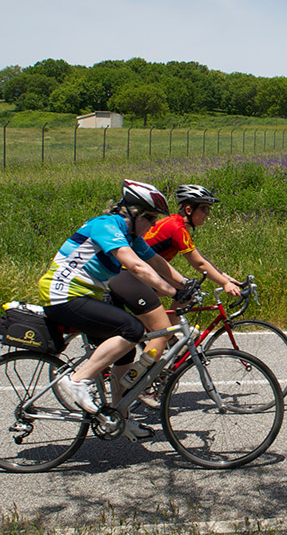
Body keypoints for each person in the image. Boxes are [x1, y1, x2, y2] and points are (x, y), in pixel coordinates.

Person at [41, 179, 193, 441]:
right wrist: (172, 292)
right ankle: (79, 380)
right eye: (149, 217)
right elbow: (136, 267)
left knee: (125, 355)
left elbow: (155, 261)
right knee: (131, 328)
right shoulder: (105, 226)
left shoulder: (130, 235)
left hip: (86, 296)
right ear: (131, 213)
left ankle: (119, 417)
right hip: (64, 295)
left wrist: (186, 284)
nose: (153, 224)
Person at [107, 184, 241, 408]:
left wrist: (225, 276)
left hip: (142, 276)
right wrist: (224, 283)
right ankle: (144, 379)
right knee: (163, 328)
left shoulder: (180, 226)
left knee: (185, 295)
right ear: (189, 209)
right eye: (205, 209)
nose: (208, 214)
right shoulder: (176, 226)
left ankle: (166, 340)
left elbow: (200, 259)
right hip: (129, 277)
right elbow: (198, 263)